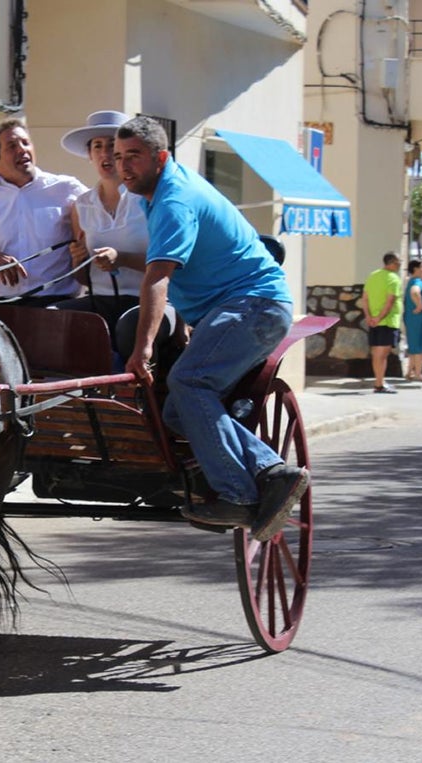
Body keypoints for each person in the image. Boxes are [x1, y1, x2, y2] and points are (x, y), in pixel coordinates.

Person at [114, 115, 308, 543]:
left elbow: (159, 278)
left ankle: (238, 493)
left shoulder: (174, 200)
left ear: (160, 158)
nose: (124, 166)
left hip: (254, 305)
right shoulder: (157, 195)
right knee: (176, 412)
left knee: (189, 382)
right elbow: (188, 267)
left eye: (134, 156)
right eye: (118, 156)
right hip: (237, 308)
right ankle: (270, 470)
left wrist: (143, 349)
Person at [51, 110, 179, 358]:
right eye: (97, 146)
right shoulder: (82, 205)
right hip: (101, 300)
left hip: (153, 301)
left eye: (112, 146)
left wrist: (121, 258)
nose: (105, 153)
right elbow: (85, 279)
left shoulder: (150, 198)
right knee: (50, 319)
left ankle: (138, 381)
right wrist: (78, 260)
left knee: (130, 326)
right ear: (89, 155)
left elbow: (172, 267)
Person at [0, 118, 87, 306]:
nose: (22, 150)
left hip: (58, 304)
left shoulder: (67, 189)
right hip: (4, 305)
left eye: (25, 143)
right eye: (12, 146)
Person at [362, 252, 403, 393]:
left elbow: (365, 298)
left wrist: (368, 316)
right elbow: (390, 301)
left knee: (377, 354)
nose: (400, 264)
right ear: (392, 263)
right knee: (382, 355)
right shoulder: (393, 278)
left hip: (374, 321)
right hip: (387, 321)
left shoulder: (373, 275)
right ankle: (379, 384)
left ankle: (379, 381)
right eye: (398, 262)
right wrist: (379, 318)